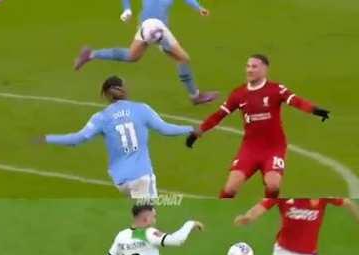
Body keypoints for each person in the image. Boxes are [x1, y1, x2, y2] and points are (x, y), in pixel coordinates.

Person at [186, 55, 330, 198]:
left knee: (273, 186)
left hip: (274, 147)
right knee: (230, 189)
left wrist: (315, 110)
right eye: (248, 66)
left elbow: (296, 101)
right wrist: (198, 132)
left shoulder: (275, 89)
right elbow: (219, 115)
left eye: (254, 67)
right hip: (250, 148)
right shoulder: (239, 94)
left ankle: (268, 204)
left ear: (265, 69)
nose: (249, 70)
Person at [41, 76, 194, 198]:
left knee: (140, 217)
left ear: (107, 95)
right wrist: (191, 129)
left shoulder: (101, 117)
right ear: (123, 89)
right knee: (148, 220)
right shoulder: (141, 109)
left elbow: (77, 139)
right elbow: (166, 129)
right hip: (141, 177)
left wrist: (47, 138)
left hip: (121, 181)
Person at [74, 0, 218, 105]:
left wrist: (198, 7)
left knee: (132, 56)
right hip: (156, 28)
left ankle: (91, 54)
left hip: (145, 26)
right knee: (183, 58)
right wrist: (127, 10)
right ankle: (195, 96)